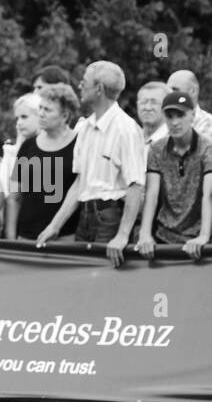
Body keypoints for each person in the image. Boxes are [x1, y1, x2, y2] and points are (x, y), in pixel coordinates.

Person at [36, 61, 146, 264]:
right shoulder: (85, 128)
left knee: (108, 284)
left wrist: (122, 235)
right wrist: (55, 226)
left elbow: (136, 185)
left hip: (110, 216)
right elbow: (80, 183)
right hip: (85, 215)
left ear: (99, 89)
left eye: (84, 81)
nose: (79, 85)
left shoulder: (126, 129)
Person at [136, 91, 212, 259]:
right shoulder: (156, 149)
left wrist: (204, 237)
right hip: (163, 237)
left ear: (192, 116)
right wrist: (145, 234)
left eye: (181, 115)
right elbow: (151, 195)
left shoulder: (207, 148)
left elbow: (209, 195)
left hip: (197, 240)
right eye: (170, 116)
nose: (175, 122)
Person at [10, 83, 80, 241]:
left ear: (65, 115)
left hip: (66, 237)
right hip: (26, 238)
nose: (41, 113)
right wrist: (10, 237)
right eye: (40, 108)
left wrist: (55, 226)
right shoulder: (28, 146)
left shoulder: (80, 144)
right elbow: (14, 196)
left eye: (47, 110)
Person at [166, 70, 212, 140]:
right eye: (168, 90)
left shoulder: (208, 123)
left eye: (175, 90)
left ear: (193, 91)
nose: (170, 94)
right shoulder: (162, 120)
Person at [136, 81, 170, 146]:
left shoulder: (173, 142)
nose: (148, 108)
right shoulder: (131, 139)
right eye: (143, 102)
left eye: (154, 102)